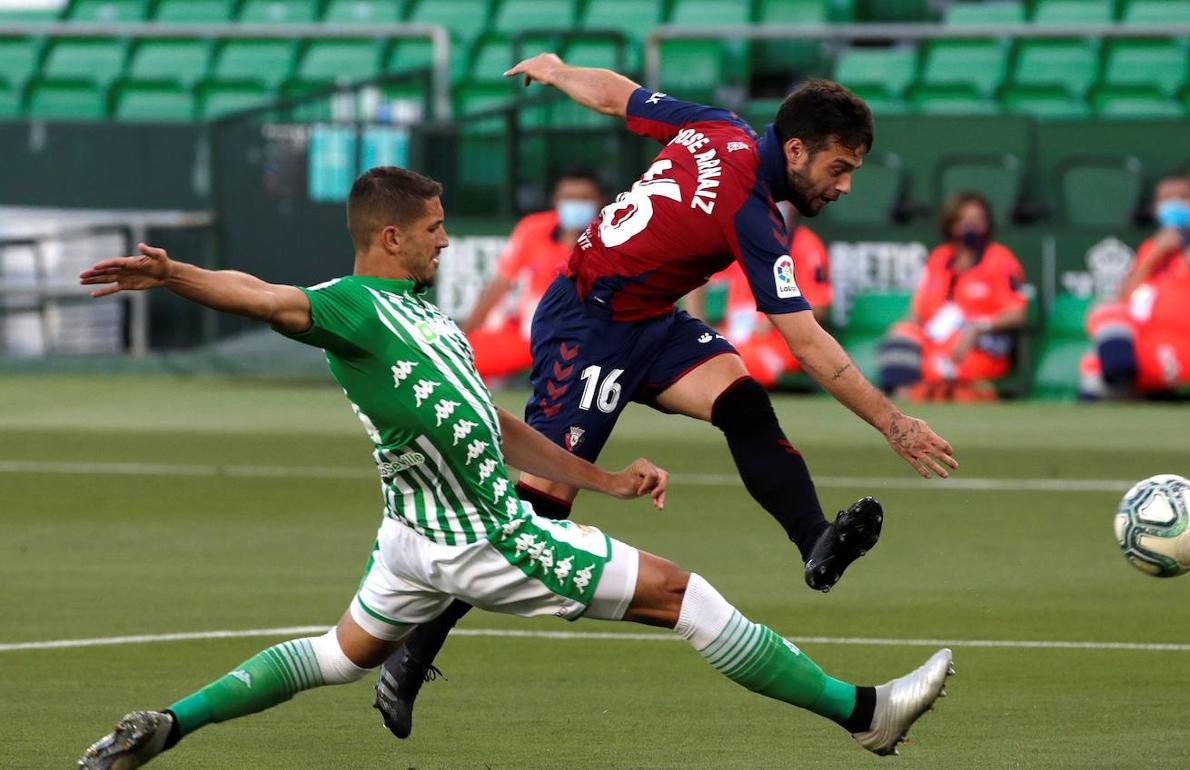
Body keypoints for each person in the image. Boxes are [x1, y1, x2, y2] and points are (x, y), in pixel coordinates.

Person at [74, 167, 954, 768]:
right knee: (689, 599)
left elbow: (494, 426)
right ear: (389, 237)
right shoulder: (350, 310)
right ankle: (867, 716)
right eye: (433, 230)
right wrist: (177, 273)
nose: (447, 242)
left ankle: (169, 726)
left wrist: (604, 481)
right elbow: (263, 296)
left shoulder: (429, 322)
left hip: (409, 542)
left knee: (337, 657)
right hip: (486, 538)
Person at [374, 54, 958, 738]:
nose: (846, 184)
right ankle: (413, 651)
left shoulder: (718, 128)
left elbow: (621, 96)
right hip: (586, 326)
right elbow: (806, 344)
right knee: (538, 508)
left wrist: (562, 71)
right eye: (840, 167)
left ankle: (815, 541)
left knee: (743, 402)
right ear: (796, 149)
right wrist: (893, 423)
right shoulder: (751, 208)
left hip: (651, 322)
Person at [1082, 174, 1190, 404]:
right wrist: (1154, 256)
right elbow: (1124, 299)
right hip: (1148, 341)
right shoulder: (1152, 247)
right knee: (1102, 328)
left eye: (1183, 197)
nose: (1176, 204)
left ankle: (1122, 392)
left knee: (1104, 367)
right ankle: (1117, 395)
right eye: (1168, 198)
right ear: (1156, 208)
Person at [875, 192, 1029, 402]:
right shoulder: (939, 257)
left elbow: (1017, 313)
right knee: (901, 338)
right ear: (950, 224)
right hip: (936, 340)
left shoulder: (1000, 259)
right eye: (963, 221)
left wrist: (977, 328)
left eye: (977, 221)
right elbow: (917, 312)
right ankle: (902, 409)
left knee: (936, 366)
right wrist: (903, 332)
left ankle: (950, 394)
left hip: (979, 342)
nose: (970, 228)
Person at [461, 169, 605, 383]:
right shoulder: (533, 228)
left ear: (599, 201)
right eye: (569, 198)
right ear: (555, 200)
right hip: (529, 336)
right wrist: (463, 335)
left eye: (584, 198)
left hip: (587, 339)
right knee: (460, 358)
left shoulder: (612, 236)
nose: (576, 204)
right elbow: (499, 284)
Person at [697, 201, 833, 390]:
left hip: (779, 343)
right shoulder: (740, 241)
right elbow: (701, 279)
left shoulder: (805, 244)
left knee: (739, 363)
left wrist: (777, 317)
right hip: (732, 335)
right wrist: (703, 324)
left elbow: (819, 308)